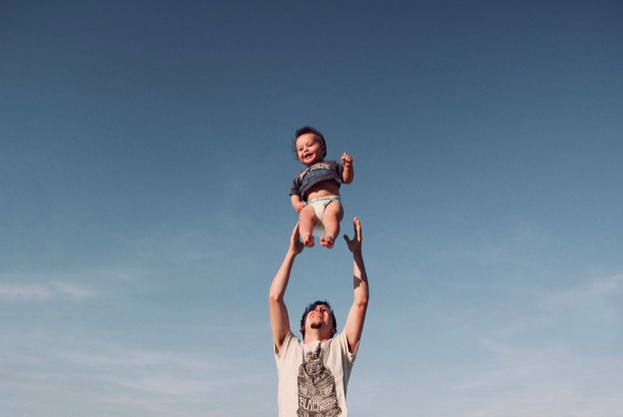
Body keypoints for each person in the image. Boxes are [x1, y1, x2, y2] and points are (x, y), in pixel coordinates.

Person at [269, 217, 369, 417]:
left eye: (325, 311)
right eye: (313, 310)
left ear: (333, 329)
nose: (319, 311)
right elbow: (275, 298)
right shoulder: (289, 348)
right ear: (302, 327)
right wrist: (291, 253)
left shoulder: (340, 348)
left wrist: (357, 253)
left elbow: (361, 301)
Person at [289, 126, 354, 249]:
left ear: (322, 148)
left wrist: (348, 167)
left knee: (331, 217)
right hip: (311, 205)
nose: (305, 150)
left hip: (331, 201)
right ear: (298, 157)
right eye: (301, 149)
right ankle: (307, 236)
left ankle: (330, 236)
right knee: (304, 215)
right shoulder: (300, 176)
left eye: (310, 145)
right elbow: (294, 193)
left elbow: (347, 179)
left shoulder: (331, 165)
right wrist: (297, 204)